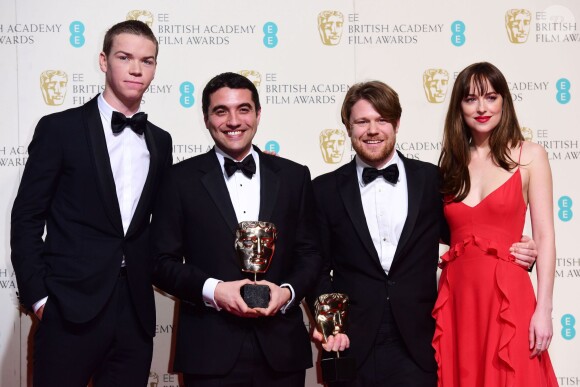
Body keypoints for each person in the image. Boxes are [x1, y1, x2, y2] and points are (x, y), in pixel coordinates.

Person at [308, 80, 538, 386]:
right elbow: (316, 265)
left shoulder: (431, 179)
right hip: (351, 341)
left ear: (397, 123)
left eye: (382, 120)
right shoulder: (324, 189)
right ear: (348, 127)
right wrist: (329, 325)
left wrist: (520, 250)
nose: (372, 130)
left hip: (420, 342)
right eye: (362, 121)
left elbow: (465, 234)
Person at [10, 20, 172, 386]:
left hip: (134, 313)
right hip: (68, 309)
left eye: (147, 61)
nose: (136, 69)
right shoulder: (59, 129)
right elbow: (27, 218)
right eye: (125, 57)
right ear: (103, 61)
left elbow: (158, 227)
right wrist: (39, 299)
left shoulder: (161, 141)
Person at [150, 72, 321, 386]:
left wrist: (286, 293)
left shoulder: (294, 176)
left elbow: (310, 254)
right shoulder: (178, 180)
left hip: (281, 350)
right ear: (206, 119)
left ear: (257, 114)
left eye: (243, 109)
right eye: (221, 111)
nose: (233, 120)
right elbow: (161, 262)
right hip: (209, 350)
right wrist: (215, 291)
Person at [433, 62, 558, 386]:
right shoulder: (450, 165)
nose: (482, 107)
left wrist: (543, 309)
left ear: (504, 101)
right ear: (459, 107)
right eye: (471, 99)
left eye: (490, 97)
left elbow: (544, 236)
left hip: (509, 297)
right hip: (458, 299)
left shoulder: (530, 155)